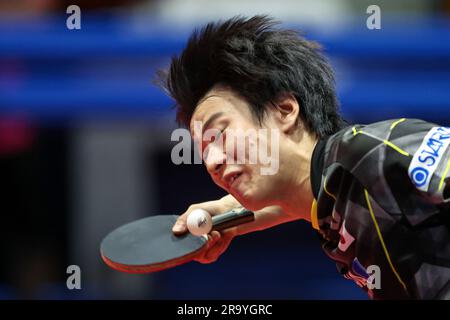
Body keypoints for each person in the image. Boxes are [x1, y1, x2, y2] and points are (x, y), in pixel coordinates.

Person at [157, 15, 450, 299]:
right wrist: (228, 213)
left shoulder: (378, 150)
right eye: (204, 148)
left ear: (284, 110)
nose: (211, 161)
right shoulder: (332, 207)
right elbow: (297, 200)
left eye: (220, 134)